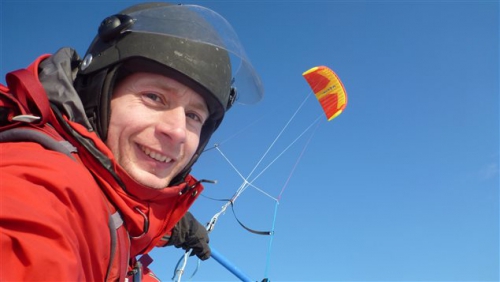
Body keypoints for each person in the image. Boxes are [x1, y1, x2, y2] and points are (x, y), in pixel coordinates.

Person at [0, 2, 263, 281]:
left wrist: (170, 224)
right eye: (154, 97)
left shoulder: (117, 216)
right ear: (98, 94)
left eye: (193, 115)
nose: (177, 131)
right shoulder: (39, 190)